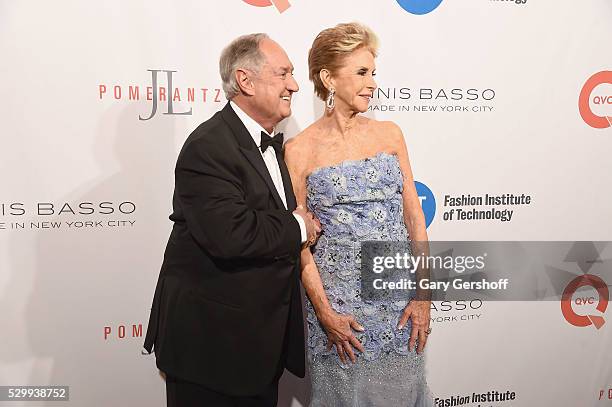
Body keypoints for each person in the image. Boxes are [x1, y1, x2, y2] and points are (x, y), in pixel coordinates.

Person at [143, 33, 321, 407]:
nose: (294, 84)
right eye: (283, 73)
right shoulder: (209, 147)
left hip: (257, 347)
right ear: (245, 80)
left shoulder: (271, 142)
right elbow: (231, 235)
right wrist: (299, 226)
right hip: (211, 350)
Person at [284, 23, 434, 405]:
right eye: (361, 73)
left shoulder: (390, 133)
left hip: (397, 305)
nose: (372, 83)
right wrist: (325, 314)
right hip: (340, 316)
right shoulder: (299, 150)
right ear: (328, 78)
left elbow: (415, 217)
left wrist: (422, 295)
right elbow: (298, 242)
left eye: (374, 73)